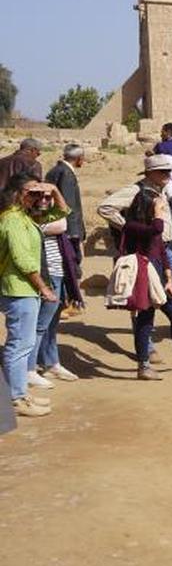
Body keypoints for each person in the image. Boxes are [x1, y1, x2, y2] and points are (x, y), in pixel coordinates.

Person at [99, 154, 172, 341]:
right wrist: (129, 227)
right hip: (143, 249)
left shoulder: (161, 189)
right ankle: (147, 348)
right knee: (143, 297)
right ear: (151, 173)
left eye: (169, 171)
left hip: (163, 248)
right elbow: (106, 208)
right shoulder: (135, 190)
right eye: (164, 171)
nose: (169, 175)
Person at [120, 180, 172, 378]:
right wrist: (159, 213)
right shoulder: (133, 226)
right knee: (145, 320)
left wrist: (169, 277)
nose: (162, 208)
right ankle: (144, 366)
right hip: (144, 277)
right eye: (158, 204)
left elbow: (161, 251)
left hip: (159, 276)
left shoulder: (151, 225)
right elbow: (156, 231)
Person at [1, 176, 59, 416]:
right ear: (17, 193)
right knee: (19, 345)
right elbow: (22, 258)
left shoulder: (24, 216)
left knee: (24, 344)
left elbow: (61, 213)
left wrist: (52, 190)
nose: (39, 198)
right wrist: (43, 287)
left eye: (40, 193)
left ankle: (21, 393)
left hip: (24, 288)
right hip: (18, 288)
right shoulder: (13, 220)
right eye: (33, 193)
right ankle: (15, 398)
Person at [30, 181, 82, 386]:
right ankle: (29, 368)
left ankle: (51, 363)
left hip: (58, 274)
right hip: (46, 275)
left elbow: (64, 210)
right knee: (40, 325)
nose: (44, 200)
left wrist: (55, 190)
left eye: (47, 197)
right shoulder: (31, 220)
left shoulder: (46, 215)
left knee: (51, 324)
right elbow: (63, 222)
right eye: (39, 196)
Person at [45, 143, 86, 262]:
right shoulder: (66, 173)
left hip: (57, 224)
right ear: (79, 158)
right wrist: (74, 234)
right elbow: (68, 206)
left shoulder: (56, 170)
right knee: (72, 265)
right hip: (67, 229)